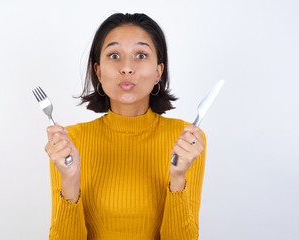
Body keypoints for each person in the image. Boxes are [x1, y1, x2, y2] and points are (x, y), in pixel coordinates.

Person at [45, 13, 206, 240]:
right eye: (114, 55)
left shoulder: (187, 140)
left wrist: (178, 178)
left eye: (141, 55)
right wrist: (70, 180)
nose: (127, 68)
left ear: (159, 71)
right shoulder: (69, 142)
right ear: (98, 71)